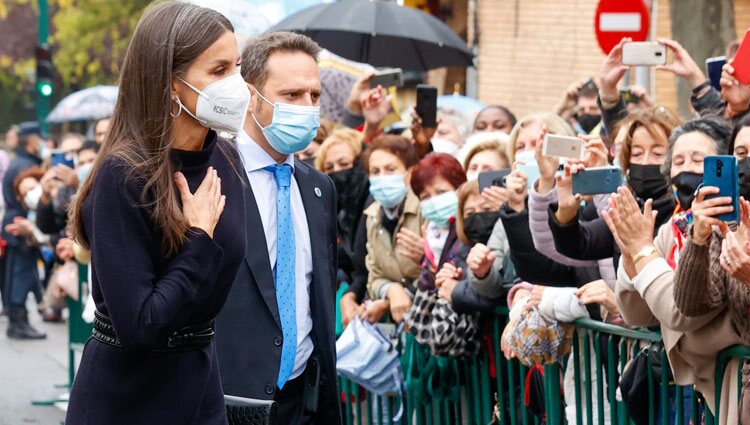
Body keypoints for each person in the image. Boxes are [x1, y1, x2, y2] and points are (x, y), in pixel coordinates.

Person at [65, 3, 248, 423]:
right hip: (128, 400)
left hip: (201, 390)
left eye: (237, 67)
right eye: (218, 71)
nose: (237, 84)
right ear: (170, 83)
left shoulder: (227, 159)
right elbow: (141, 325)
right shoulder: (122, 173)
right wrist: (198, 238)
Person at [214, 31, 341, 425]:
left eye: (314, 96)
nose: (307, 107)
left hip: (303, 399)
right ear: (251, 97)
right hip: (228, 400)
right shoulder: (213, 176)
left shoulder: (319, 188)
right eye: (291, 95)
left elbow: (317, 292)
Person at [604, 117, 743, 424]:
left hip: (732, 384)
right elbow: (637, 315)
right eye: (678, 161)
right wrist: (631, 255)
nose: (686, 169)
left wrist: (644, 251)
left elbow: (682, 311)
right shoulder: (673, 228)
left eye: (698, 160)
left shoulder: (730, 230)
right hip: (697, 388)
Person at [357, 135, 422, 325]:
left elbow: (435, 269)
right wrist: (391, 290)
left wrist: (402, 295)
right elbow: (374, 276)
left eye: (391, 169)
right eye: (375, 171)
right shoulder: (373, 214)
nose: (382, 177)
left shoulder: (424, 208)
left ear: (409, 174)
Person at [3, 122, 46, 339]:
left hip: (16, 223)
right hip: (21, 225)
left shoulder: (21, 161)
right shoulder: (24, 166)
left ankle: (18, 320)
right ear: (32, 141)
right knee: (21, 274)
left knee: (18, 273)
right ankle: (18, 322)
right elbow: (33, 199)